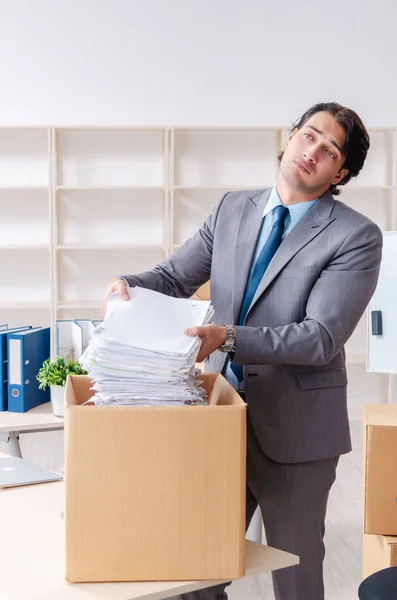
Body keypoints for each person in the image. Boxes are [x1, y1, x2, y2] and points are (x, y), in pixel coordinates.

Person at [102, 102, 383, 600]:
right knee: (197, 570)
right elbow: (173, 277)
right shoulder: (233, 208)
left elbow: (320, 337)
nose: (312, 150)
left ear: (341, 171)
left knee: (295, 579)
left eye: (330, 148)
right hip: (219, 417)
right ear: (291, 136)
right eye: (309, 135)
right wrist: (129, 283)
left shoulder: (354, 236)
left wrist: (226, 337)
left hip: (297, 433)